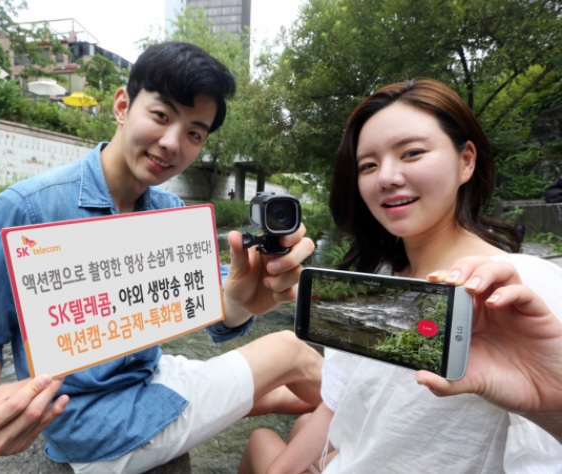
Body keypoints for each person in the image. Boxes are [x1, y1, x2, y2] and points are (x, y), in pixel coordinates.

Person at [0, 41, 323, 474]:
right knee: (290, 351)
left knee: (285, 395)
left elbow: (207, 310)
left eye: (194, 133)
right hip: (95, 425)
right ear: (122, 106)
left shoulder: (171, 212)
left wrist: (239, 302)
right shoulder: (26, 210)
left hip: (146, 378)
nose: (172, 143)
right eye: (161, 116)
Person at [239, 79, 562, 474]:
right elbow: (340, 402)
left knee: (263, 440)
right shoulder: (376, 281)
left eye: (412, 153)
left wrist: (552, 409)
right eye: (368, 165)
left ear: (466, 161)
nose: (386, 177)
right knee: (282, 434)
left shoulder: (523, 291)